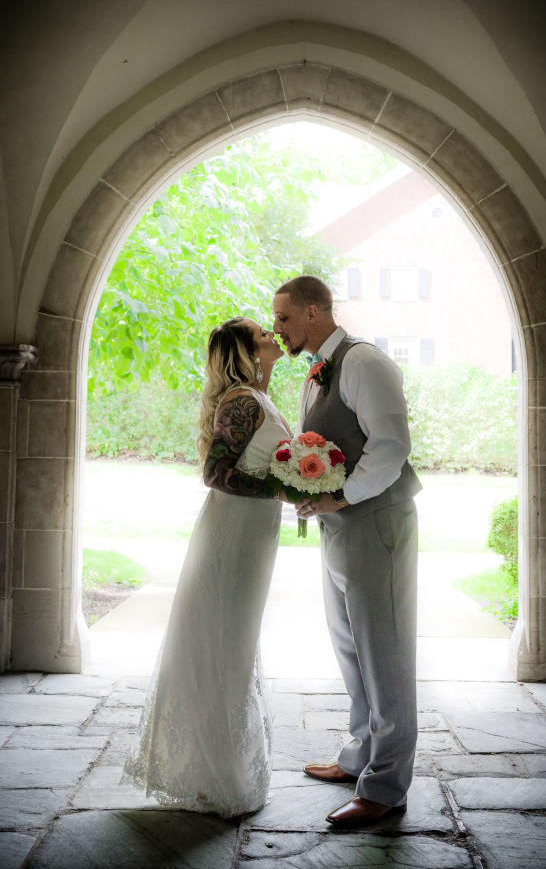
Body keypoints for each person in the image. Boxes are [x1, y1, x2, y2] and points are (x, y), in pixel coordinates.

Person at [122, 316, 289, 817]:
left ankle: (222, 764)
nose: (272, 335)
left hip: (253, 537)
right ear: (245, 350)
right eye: (263, 333)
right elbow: (215, 473)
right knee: (224, 643)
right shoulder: (240, 401)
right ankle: (215, 775)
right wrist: (283, 488)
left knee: (234, 641)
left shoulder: (257, 397)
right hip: (233, 537)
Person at [273, 275, 422, 827]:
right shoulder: (317, 370)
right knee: (350, 647)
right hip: (338, 525)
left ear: (314, 312)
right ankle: (359, 756)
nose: (278, 328)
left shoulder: (364, 364)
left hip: (375, 521)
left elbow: (390, 447)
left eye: (285, 318)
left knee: (385, 653)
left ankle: (385, 787)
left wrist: (339, 496)